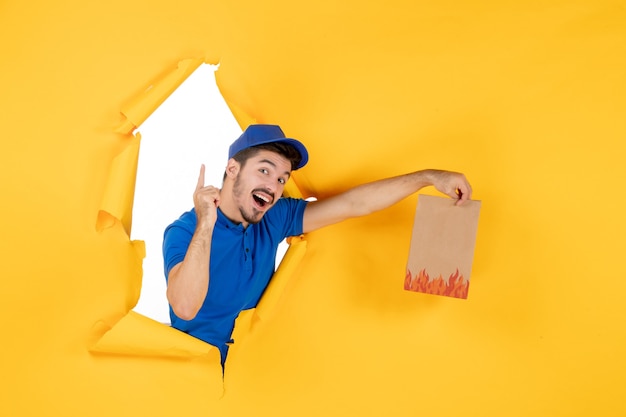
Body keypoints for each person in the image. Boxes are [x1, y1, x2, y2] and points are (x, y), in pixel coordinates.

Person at [162, 124, 472, 366]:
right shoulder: (184, 231)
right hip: (194, 374)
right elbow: (186, 307)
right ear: (232, 169)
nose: (273, 186)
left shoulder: (275, 217)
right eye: (264, 170)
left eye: (282, 178)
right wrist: (206, 221)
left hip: (252, 368)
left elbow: (354, 204)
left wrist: (429, 177)